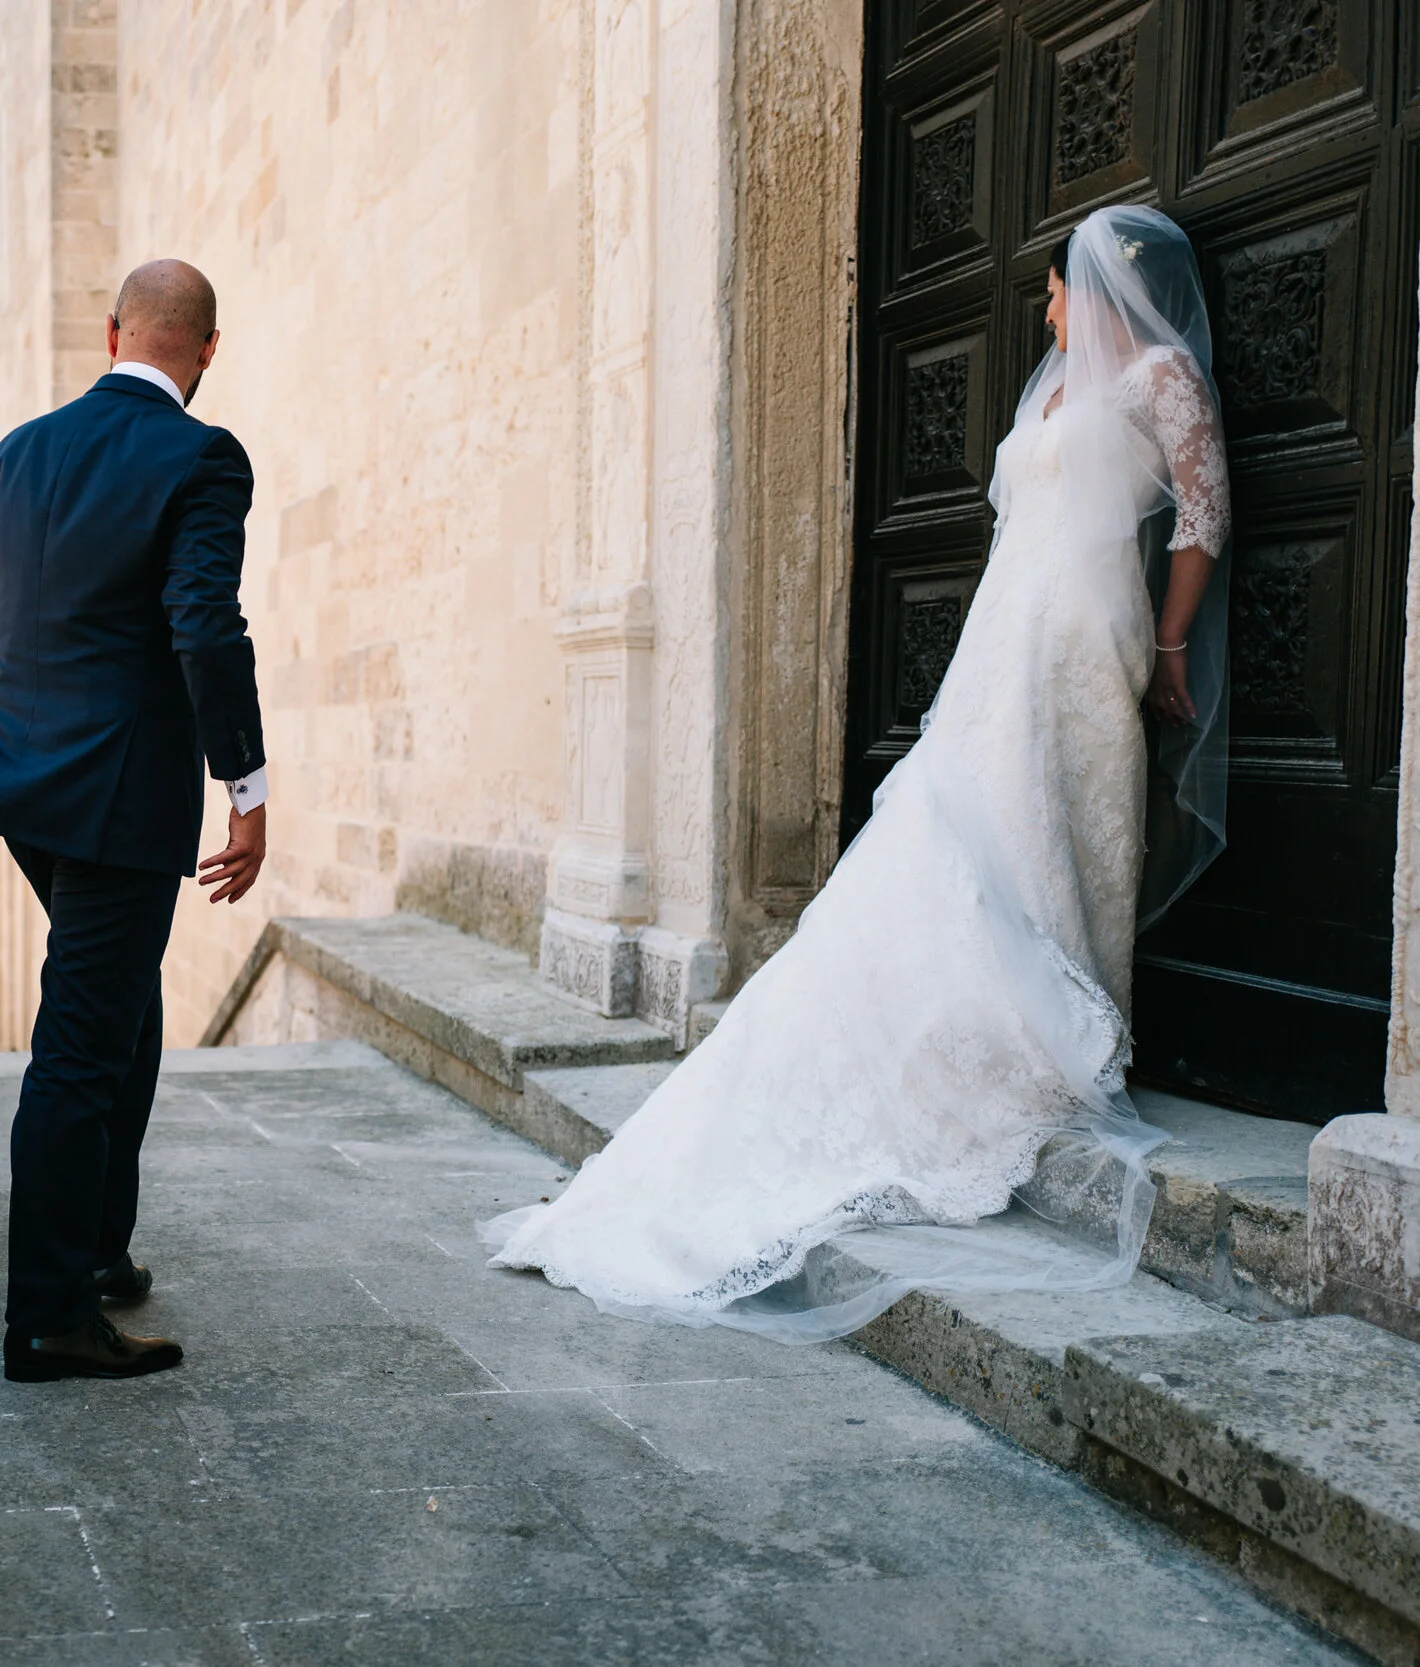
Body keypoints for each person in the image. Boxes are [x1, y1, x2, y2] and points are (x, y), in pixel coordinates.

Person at [489, 205, 1232, 1341]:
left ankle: (1062, 1004)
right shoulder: (1053, 389)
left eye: (1051, 290)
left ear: (1100, 287)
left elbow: (1201, 513)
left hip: (1088, 626)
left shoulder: (1165, 376)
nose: (1042, 311)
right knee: (968, 821)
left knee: (1064, 815)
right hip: (1006, 630)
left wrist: (1171, 641)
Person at [0, 258, 268, 1382]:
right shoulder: (204, 454)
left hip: (33, 790)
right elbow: (205, 625)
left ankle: (100, 1248)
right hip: (120, 800)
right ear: (205, 349)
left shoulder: (19, 449)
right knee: (78, 1044)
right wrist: (246, 789)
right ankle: (49, 1313)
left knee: (120, 999)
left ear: (113, 334)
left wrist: (13, 725)